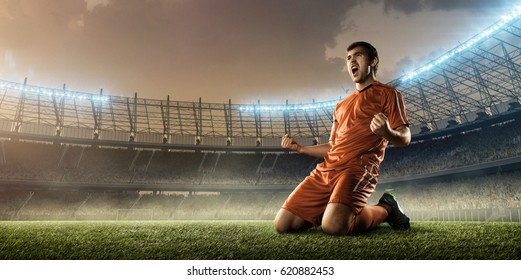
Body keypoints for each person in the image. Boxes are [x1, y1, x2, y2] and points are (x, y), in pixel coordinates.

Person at [275, 41, 411, 235]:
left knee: (334, 226)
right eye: (348, 58)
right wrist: (300, 148)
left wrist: (387, 132)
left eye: (358, 55)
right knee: (283, 225)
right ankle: (335, 208)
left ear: (373, 60)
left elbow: (405, 138)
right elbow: (333, 146)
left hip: (357, 169)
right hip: (327, 170)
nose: (351, 61)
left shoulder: (389, 94)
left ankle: (387, 208)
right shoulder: (341, 106)